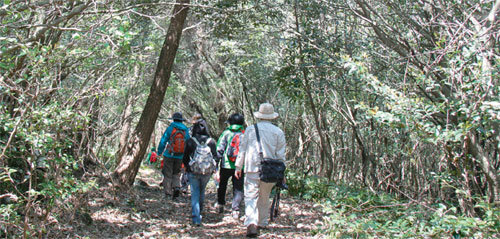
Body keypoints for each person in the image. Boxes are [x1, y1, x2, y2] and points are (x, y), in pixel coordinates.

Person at [235, 103, 286, 237]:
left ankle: (251, 222)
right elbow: (281, 156)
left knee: (250, 196)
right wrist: (282, 173)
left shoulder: (251, 130)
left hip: (252, 167)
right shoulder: (278, 132)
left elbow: (243, 149)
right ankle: (262, 222)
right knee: (264, 196)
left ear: (259, 115)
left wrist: (238, 166)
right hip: (271, 169)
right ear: (272, 117)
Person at [182, 119, 217, 226]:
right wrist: (214, 169)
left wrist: (187, 167)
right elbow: (216, 156)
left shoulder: (191, 141)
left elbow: (185, 156)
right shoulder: (211, 141)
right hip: (206, 171)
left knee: (195, 192)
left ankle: (196, 217)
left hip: (193, 171)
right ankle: (199, 211)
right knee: (202, 191)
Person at [215, 113, 245, 219]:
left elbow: (219, 149)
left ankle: (220, 204)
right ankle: (235, 209)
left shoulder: (226, 133)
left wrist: (216, 164)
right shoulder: (244, 134)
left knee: (222, 184)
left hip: (225, 165)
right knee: (238, 188)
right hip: (240, 167)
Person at [157, 112, 190, 199]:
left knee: (168, 174)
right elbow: (188, 142)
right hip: (180, 156)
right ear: (181, 120)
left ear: (173, 119)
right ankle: (176, 187)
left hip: (169, 155)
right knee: (176, 173)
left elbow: (163, 140)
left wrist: (159, 152)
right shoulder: (185, 130)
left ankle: (168, 193)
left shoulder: (170, 128)